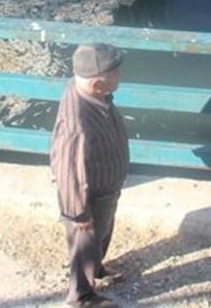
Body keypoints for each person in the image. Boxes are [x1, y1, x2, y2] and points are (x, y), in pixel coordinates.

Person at [50, 43, 130, 308]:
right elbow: (67, 167)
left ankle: (96, 267)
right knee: (85, 241)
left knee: (103, 230)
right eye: (115, 73)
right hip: (88, 194)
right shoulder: (77, 124)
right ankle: (81, 296)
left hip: (105, 184)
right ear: (97, 84)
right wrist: (78, 213)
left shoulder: (89, 92)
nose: (120, 76)